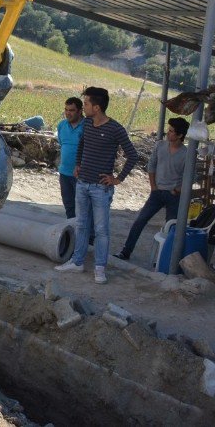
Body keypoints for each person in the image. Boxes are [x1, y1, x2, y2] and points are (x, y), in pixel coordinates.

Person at [54, 86, 139, 284]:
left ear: (97, 107)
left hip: (101, 188)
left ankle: (100, 268)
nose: (84, 108)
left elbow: (132, 155)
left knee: (101, 230)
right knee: (81, 224)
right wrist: (77, 164)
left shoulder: (115, 129)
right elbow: (82, 145)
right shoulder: (88, 125)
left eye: (86, 104)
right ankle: (77, 262)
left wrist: (118, 178)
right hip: (82, 184)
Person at [114, 117, 190, 261]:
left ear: (180, 135)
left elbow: (190, 176)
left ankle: (167, 260)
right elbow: (151, 166)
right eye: (168, 130)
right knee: (140, 221)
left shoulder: (186, 154)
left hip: (174, 195)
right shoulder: (160, 146)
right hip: (157, 192)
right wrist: (153, 187)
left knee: (171, 228)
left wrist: (177, 190)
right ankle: (125, 252)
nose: (168, 133)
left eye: (172, 131)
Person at [56, 97, 86, 220]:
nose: (68, 113)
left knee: (83, 209)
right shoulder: (61, 125)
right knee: (69, 206)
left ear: (80, 111)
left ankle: (86, 237)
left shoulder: (88, 126)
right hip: (64, 173)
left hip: (82, 175)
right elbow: (62, 144)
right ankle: (72, 232)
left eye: (72, 110)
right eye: (66, 110)